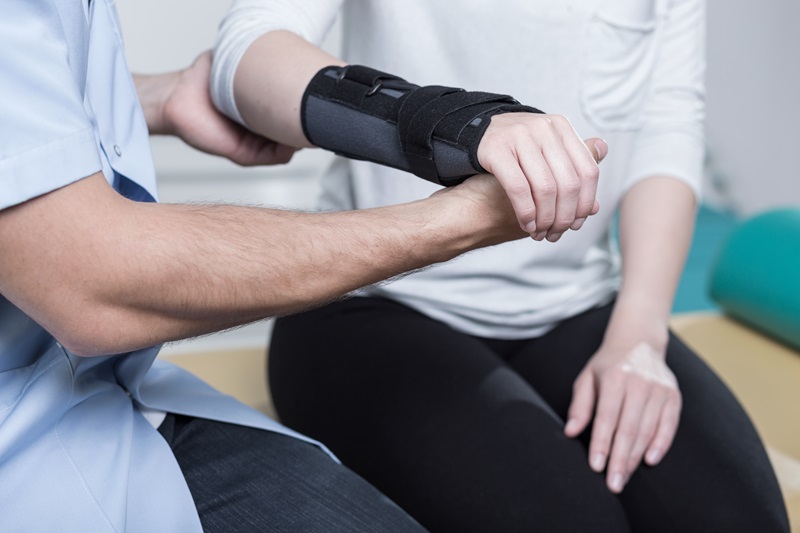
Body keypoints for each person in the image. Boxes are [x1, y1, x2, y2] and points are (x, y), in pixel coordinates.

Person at [0, 1, 604, 531]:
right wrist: (457, 215)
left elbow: (27, 103)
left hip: (107, 394)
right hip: (29, 444)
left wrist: (157, 97)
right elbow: (94, 283)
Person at [211, 1, 791, 532]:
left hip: (576, 303)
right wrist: (456, 124)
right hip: (370, 306)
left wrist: (639, 333)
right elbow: (246, 55)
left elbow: (668, 125)